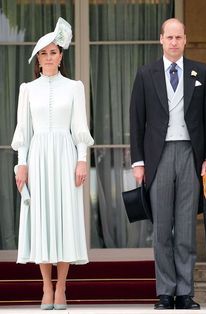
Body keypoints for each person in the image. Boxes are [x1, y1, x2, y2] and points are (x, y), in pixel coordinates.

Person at [130, 18, 206, 310]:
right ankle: (165, 293)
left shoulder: (202, 72)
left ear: (185, 39)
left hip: (190, 156)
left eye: (179, 37)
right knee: (161, 229)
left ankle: (185, 293)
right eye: (169, 37)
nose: (174, 42)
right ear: (161, 39)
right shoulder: (146, 74)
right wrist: (138, 162)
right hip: (159, 156)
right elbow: (137, 121)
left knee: (185, 229)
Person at [11, 17, 94, 310]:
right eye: (44, 53)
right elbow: (24, 130)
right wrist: (21, 164)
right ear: (38, 58)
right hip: (38, 157)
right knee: (43, 221)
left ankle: (62, 289)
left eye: (54, 52)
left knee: (65, 220)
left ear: (61, 56)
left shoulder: (74, 87)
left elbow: (80, 128)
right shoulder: (27, 89)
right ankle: (46, 287)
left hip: (65, 157)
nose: (49, 57)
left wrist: (82, 160)